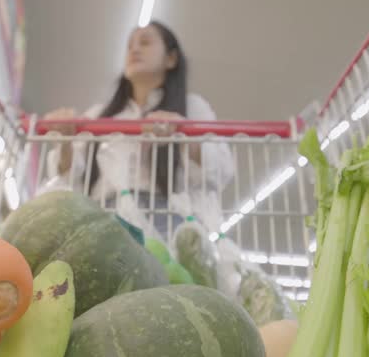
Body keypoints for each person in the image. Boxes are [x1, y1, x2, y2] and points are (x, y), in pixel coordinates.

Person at [42, 21, 235, 238]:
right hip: (104, 217)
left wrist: (182, 135)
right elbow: (70, 179)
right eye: (130, 45)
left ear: (171, 59)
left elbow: (222, 171)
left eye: (145, 42)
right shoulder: (99, 114)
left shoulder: (192, 107)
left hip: (170, 222)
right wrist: (65, 140)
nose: (134, 49)